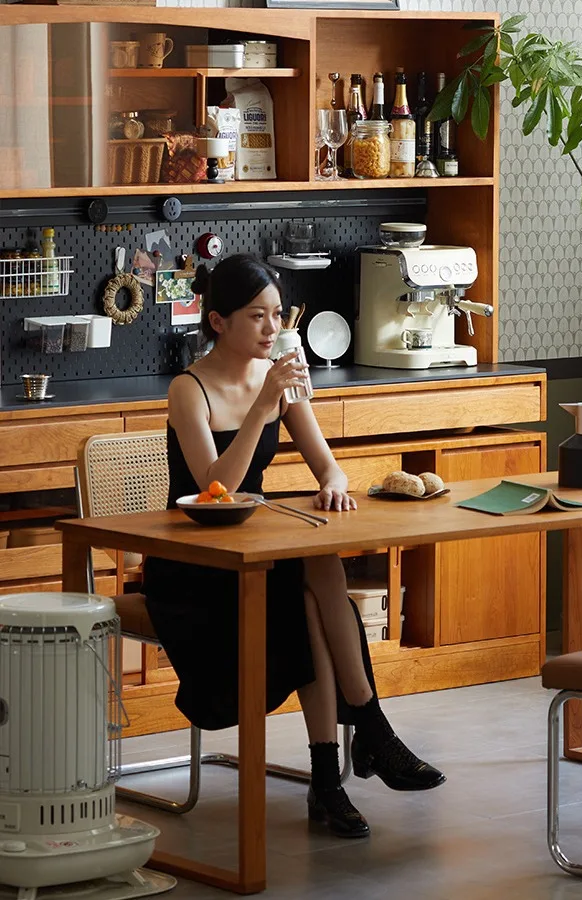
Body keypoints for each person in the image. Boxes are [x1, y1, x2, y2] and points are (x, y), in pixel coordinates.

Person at [142, 254, 445, 840]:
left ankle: (335, 772)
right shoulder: (189, 390)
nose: (270, 327)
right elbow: (216, 488)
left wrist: (333, 487)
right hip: (194, 568)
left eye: (277, 314)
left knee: (309, 577)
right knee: (305, 582)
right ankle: (361, 741)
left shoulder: (282, 376)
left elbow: (329, 468)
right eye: (256, 316)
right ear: (217, 322)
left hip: (258, 556)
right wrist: (262, 408)